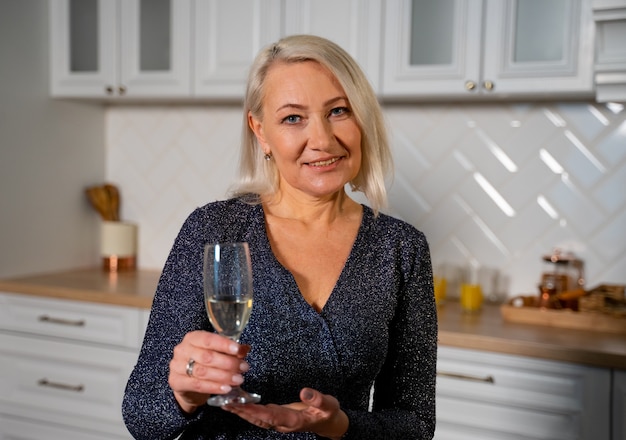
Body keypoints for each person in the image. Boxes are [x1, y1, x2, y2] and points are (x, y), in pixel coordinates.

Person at [122, 34, 437, 440]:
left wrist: (338, 424)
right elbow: (141, 417)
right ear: (261, 131)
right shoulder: (214, 229)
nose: (322, 140)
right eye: (293, 118)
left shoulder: (401, 249)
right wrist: (183, 393)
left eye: (338, 111)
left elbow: (415, 425)